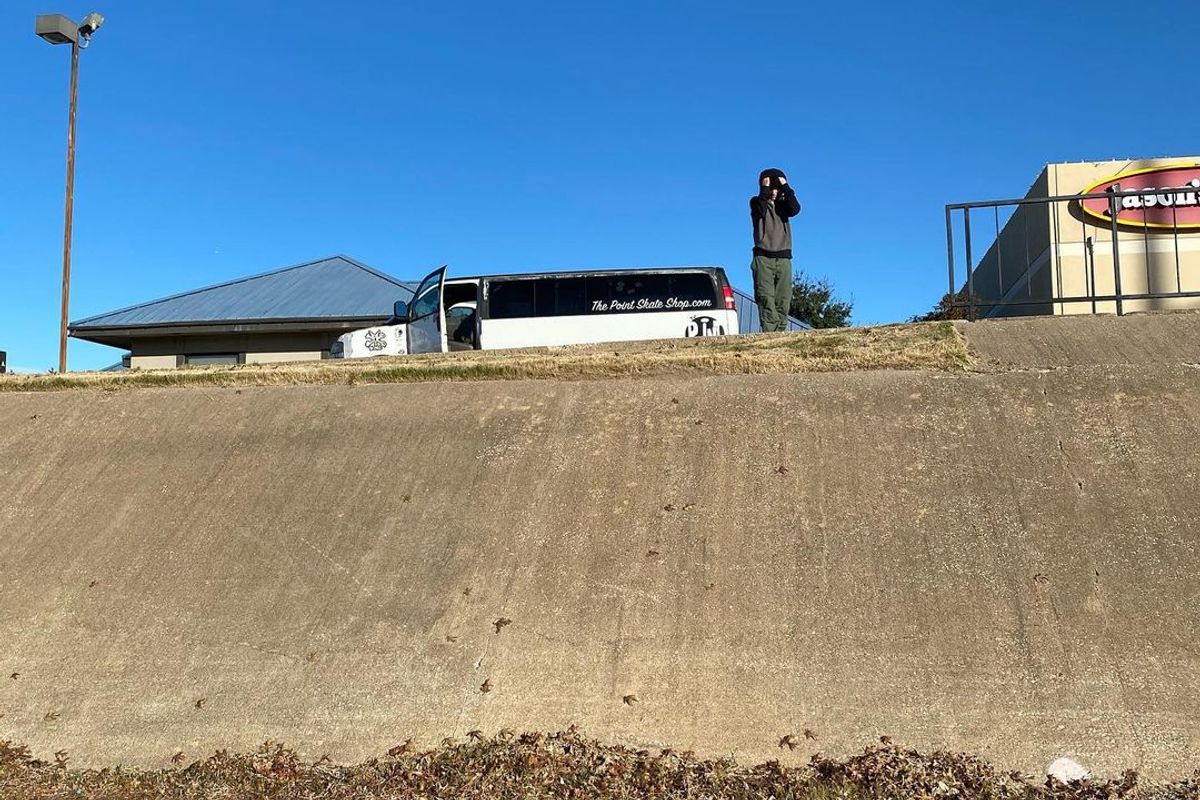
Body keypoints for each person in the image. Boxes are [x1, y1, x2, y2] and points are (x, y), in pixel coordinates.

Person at [750, 167, 801, 332]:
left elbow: (795, 208)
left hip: (784, 259)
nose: (774, 191)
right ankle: (769, 332)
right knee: (765, 297)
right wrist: (765, 189)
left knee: (783, 299)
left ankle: (779, 332)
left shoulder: (784, 207)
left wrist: (786, 186)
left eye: (776, 188)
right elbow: (760, 209)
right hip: (763, 258)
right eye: (771, 187)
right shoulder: (757, 203)